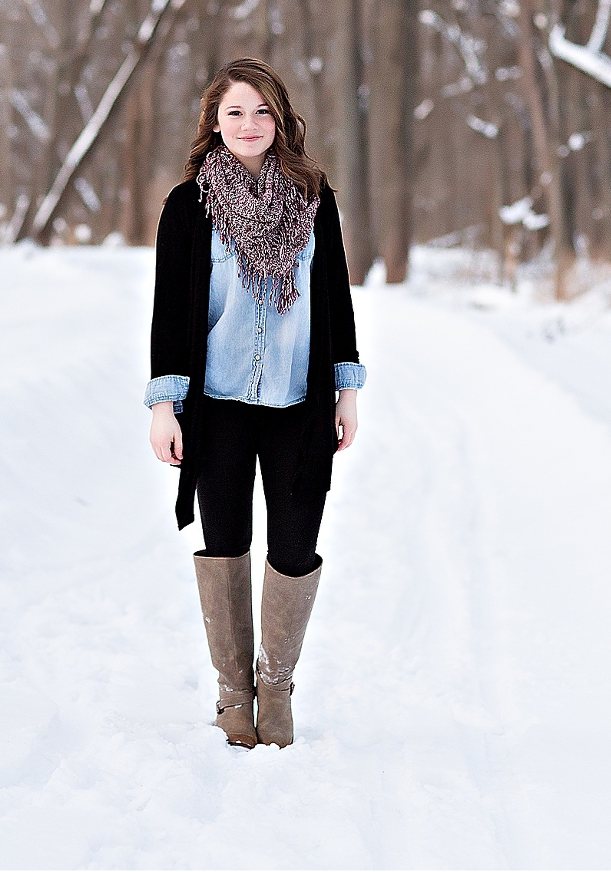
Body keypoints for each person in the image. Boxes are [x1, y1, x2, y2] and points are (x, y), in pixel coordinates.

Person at [145, 56, 366, 749]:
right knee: (226, 541)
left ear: (281, 119)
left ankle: (276, 687)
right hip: (217, 405)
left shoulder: (314, 199)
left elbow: (335, 298)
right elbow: (170, 312)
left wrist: (346, 390)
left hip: (299, 401)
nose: (249, 123)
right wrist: (164, 405)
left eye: (262, 110)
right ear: (214, 122)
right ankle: (233, 694)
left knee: (296, 543)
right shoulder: (190, 206)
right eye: (235, 111)